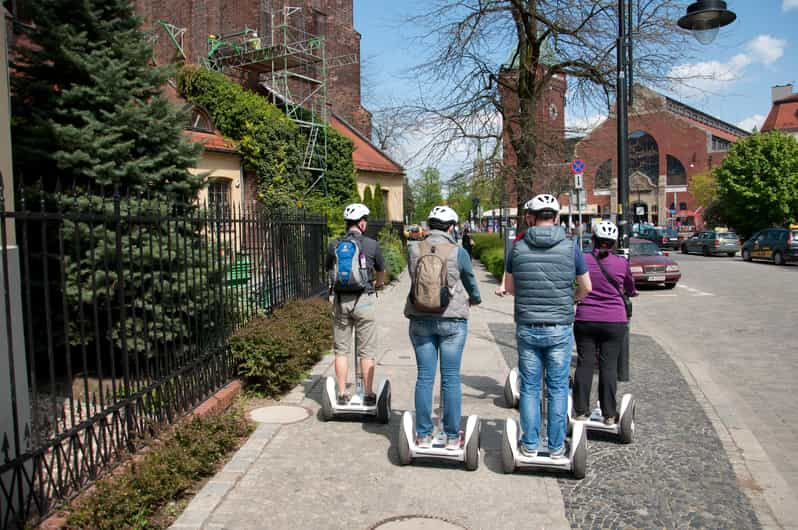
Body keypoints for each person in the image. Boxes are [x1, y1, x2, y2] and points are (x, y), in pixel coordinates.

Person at [496, 194, 591, 458]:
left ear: (530, 218)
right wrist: (570, 299)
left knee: (529, 387)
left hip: (528, 324)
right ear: (557, 218)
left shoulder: (517, 248)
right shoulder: (571, 247)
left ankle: (528, 445)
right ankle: (557, 446)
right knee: (558, 387)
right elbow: (587, 287)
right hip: (560, 326)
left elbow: (511, 287)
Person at [405, 206, 481, 449]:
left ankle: (424, 435)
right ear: (451, 227)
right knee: (450, 378)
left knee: (425, 377)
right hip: (452, 319)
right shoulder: (458, 251)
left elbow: (414, 277)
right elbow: (469, 279)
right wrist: (475, 298)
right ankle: (451, 436)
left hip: (420, 317)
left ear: (429, 225)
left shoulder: (413, 248)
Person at [572, 221, 636, 424]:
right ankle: (609, 414)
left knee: (585, 363)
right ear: (614, 242)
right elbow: (630, 288)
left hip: (586, 318)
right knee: (608, 367)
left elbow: (573, 283)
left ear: (593, 240)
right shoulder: (621, 263)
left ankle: (580, 410)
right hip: (614, 321)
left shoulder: (582, 260)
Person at [326, 203, 385, 405]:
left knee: (341, 350)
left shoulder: (334, 245)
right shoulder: (371, 244)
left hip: (341, 302)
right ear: (361, 223)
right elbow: (381, 271)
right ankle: (367, 394)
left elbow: (329, 270)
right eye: (365, 221)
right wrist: (378, 284)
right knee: (366, 350)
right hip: (364, 301)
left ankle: (342, 394)